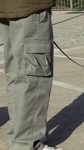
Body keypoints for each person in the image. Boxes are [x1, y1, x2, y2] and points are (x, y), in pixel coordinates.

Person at [0, 0, 62, 150]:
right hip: (30, 6)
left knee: (17, 76)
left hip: (7, 7)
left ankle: (20, 140)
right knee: (34, 79)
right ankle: (29, 144)